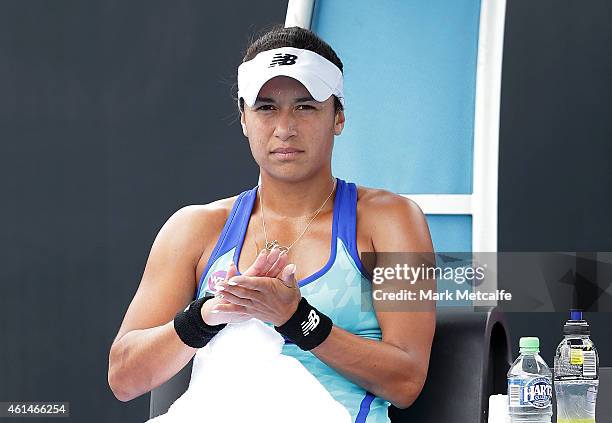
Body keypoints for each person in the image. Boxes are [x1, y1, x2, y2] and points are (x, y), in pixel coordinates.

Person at [108, 25, 435, 423]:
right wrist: (207, 315)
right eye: (266, 107)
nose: (285, 128)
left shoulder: (391, 220)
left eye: (305, 106)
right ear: (244, 118)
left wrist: (298, 319)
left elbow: (406, 383)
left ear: (339, 117)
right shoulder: (193, 229)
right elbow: (123, 378)